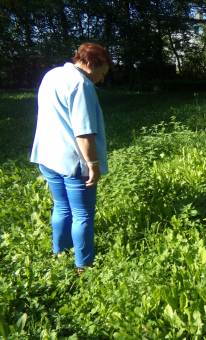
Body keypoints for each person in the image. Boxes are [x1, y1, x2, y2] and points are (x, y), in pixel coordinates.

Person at [30, 42, 111, 273]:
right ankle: (83, 266)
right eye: (102, 72)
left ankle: (59, 252)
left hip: (47, 155)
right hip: (73, 162)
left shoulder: (52, 75)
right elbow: (84, 132)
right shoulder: (81, 84)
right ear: (92, 64)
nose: (101, 79)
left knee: (61, 207)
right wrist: (93, 164)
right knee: (82, 214)